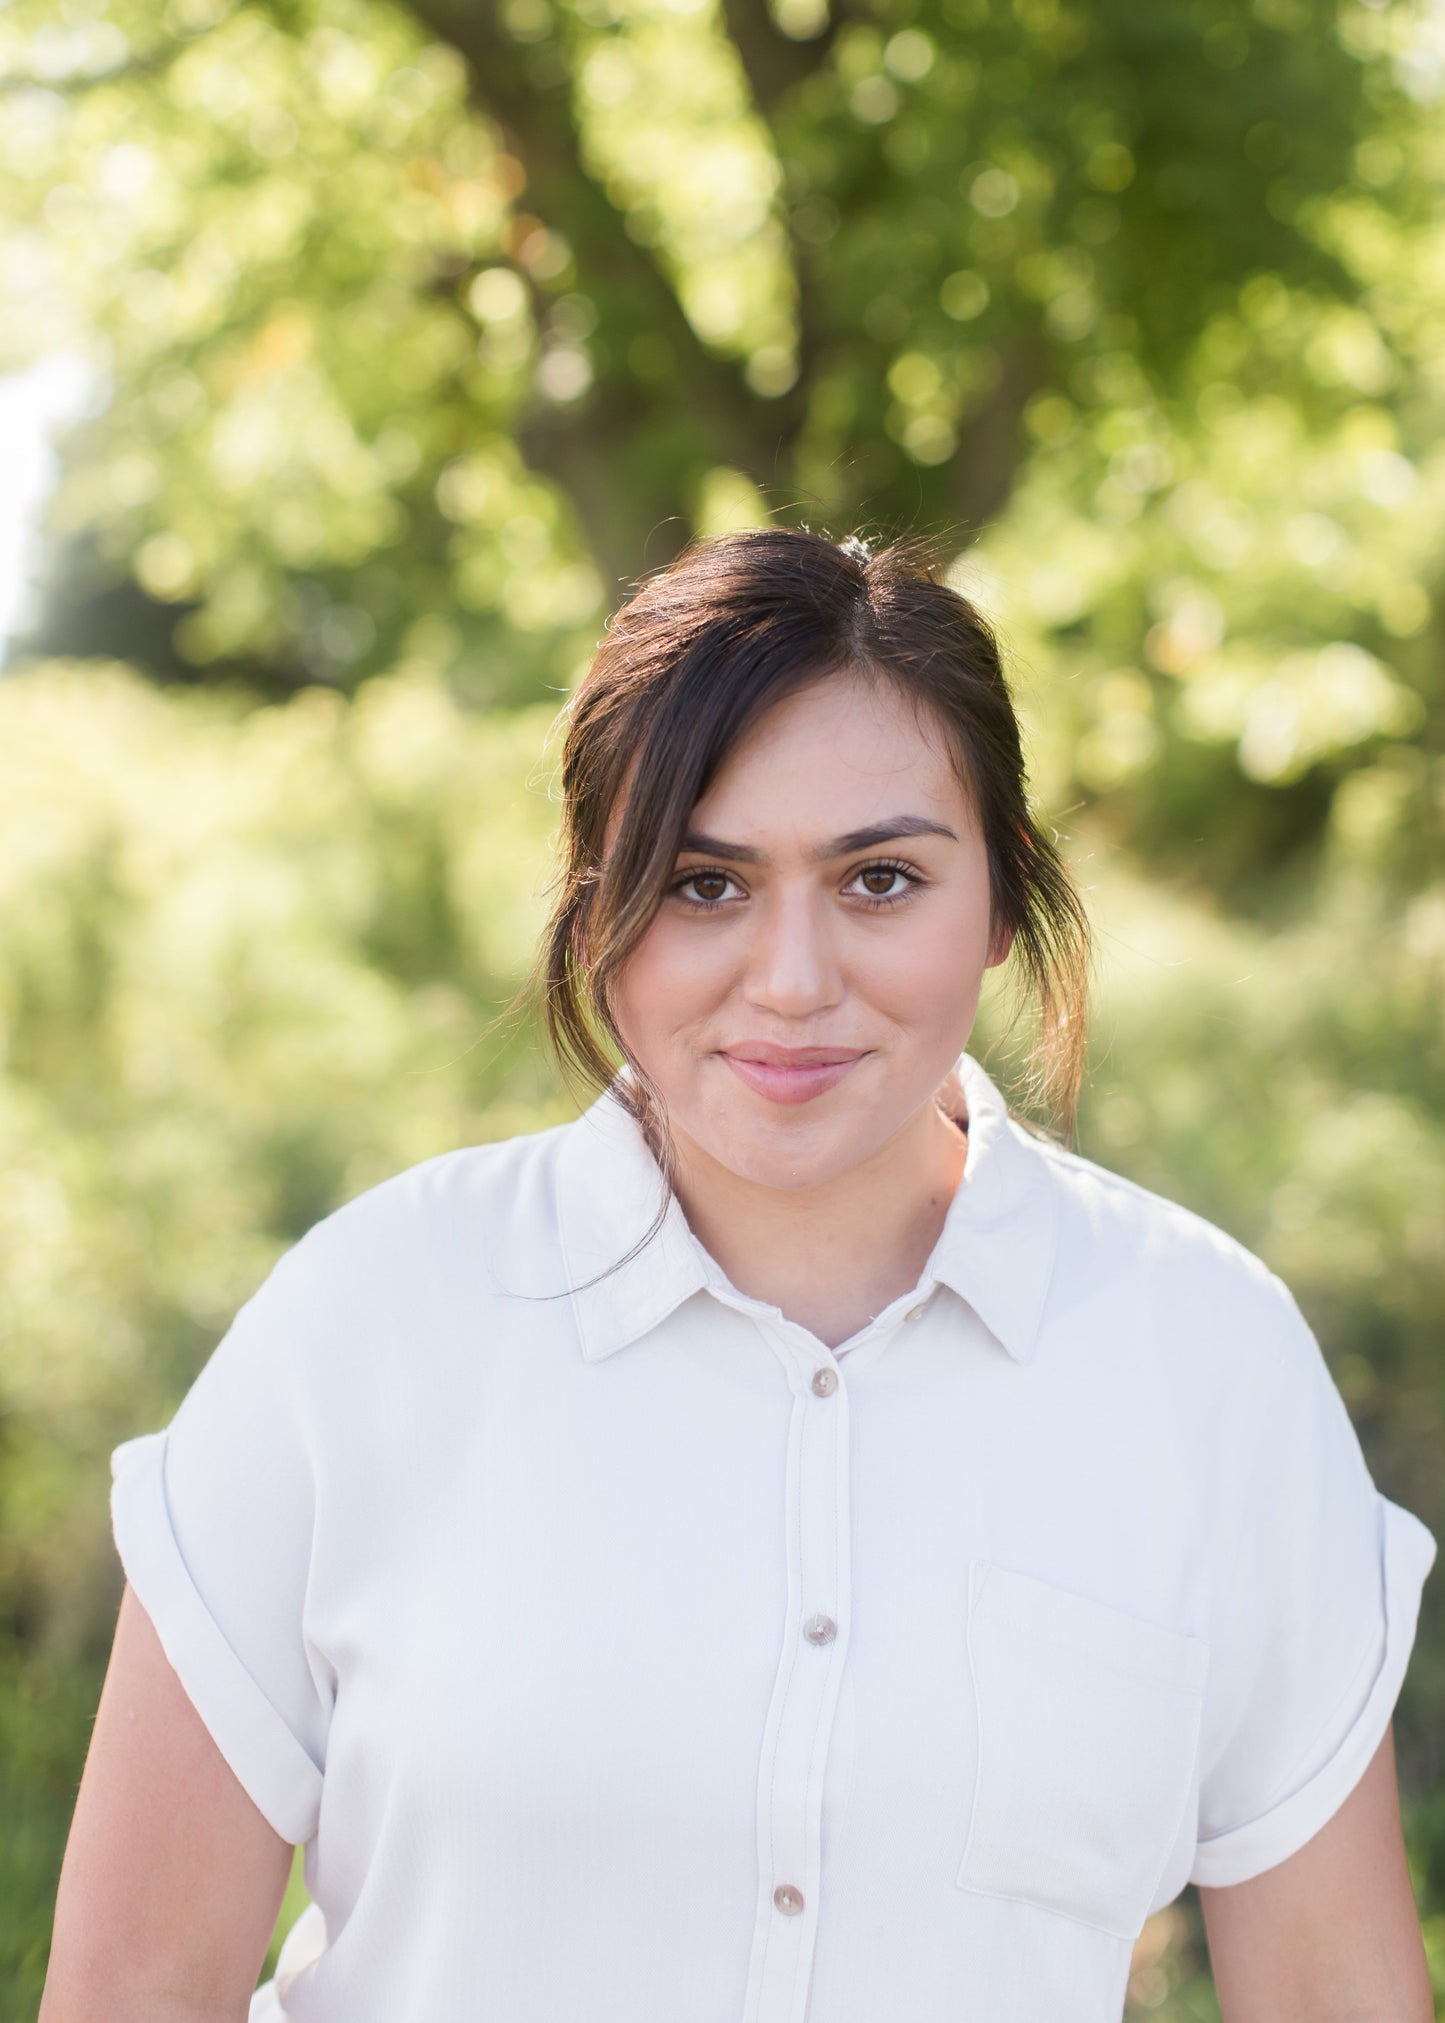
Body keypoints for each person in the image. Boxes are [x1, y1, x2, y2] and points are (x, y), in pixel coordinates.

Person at [41, 528, 1436, 2022]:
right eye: (704, 884)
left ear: (1004, 902)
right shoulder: (360, 1333)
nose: (789, 978)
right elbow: (132, 1991)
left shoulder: (1203, 1360)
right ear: (596, 911)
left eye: (880, 879)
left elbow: (1334, 1999)